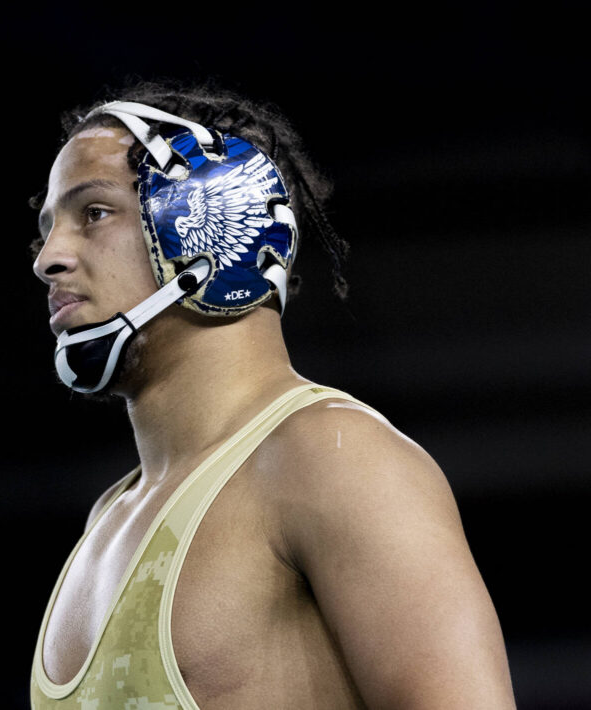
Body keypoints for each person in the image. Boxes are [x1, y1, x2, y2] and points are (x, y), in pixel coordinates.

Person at [27, 80, 516, 709]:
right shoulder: (106, 518)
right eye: (48, 229)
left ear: (211, 222)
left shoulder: (336, 461)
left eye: (93, 213)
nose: (48, 258)